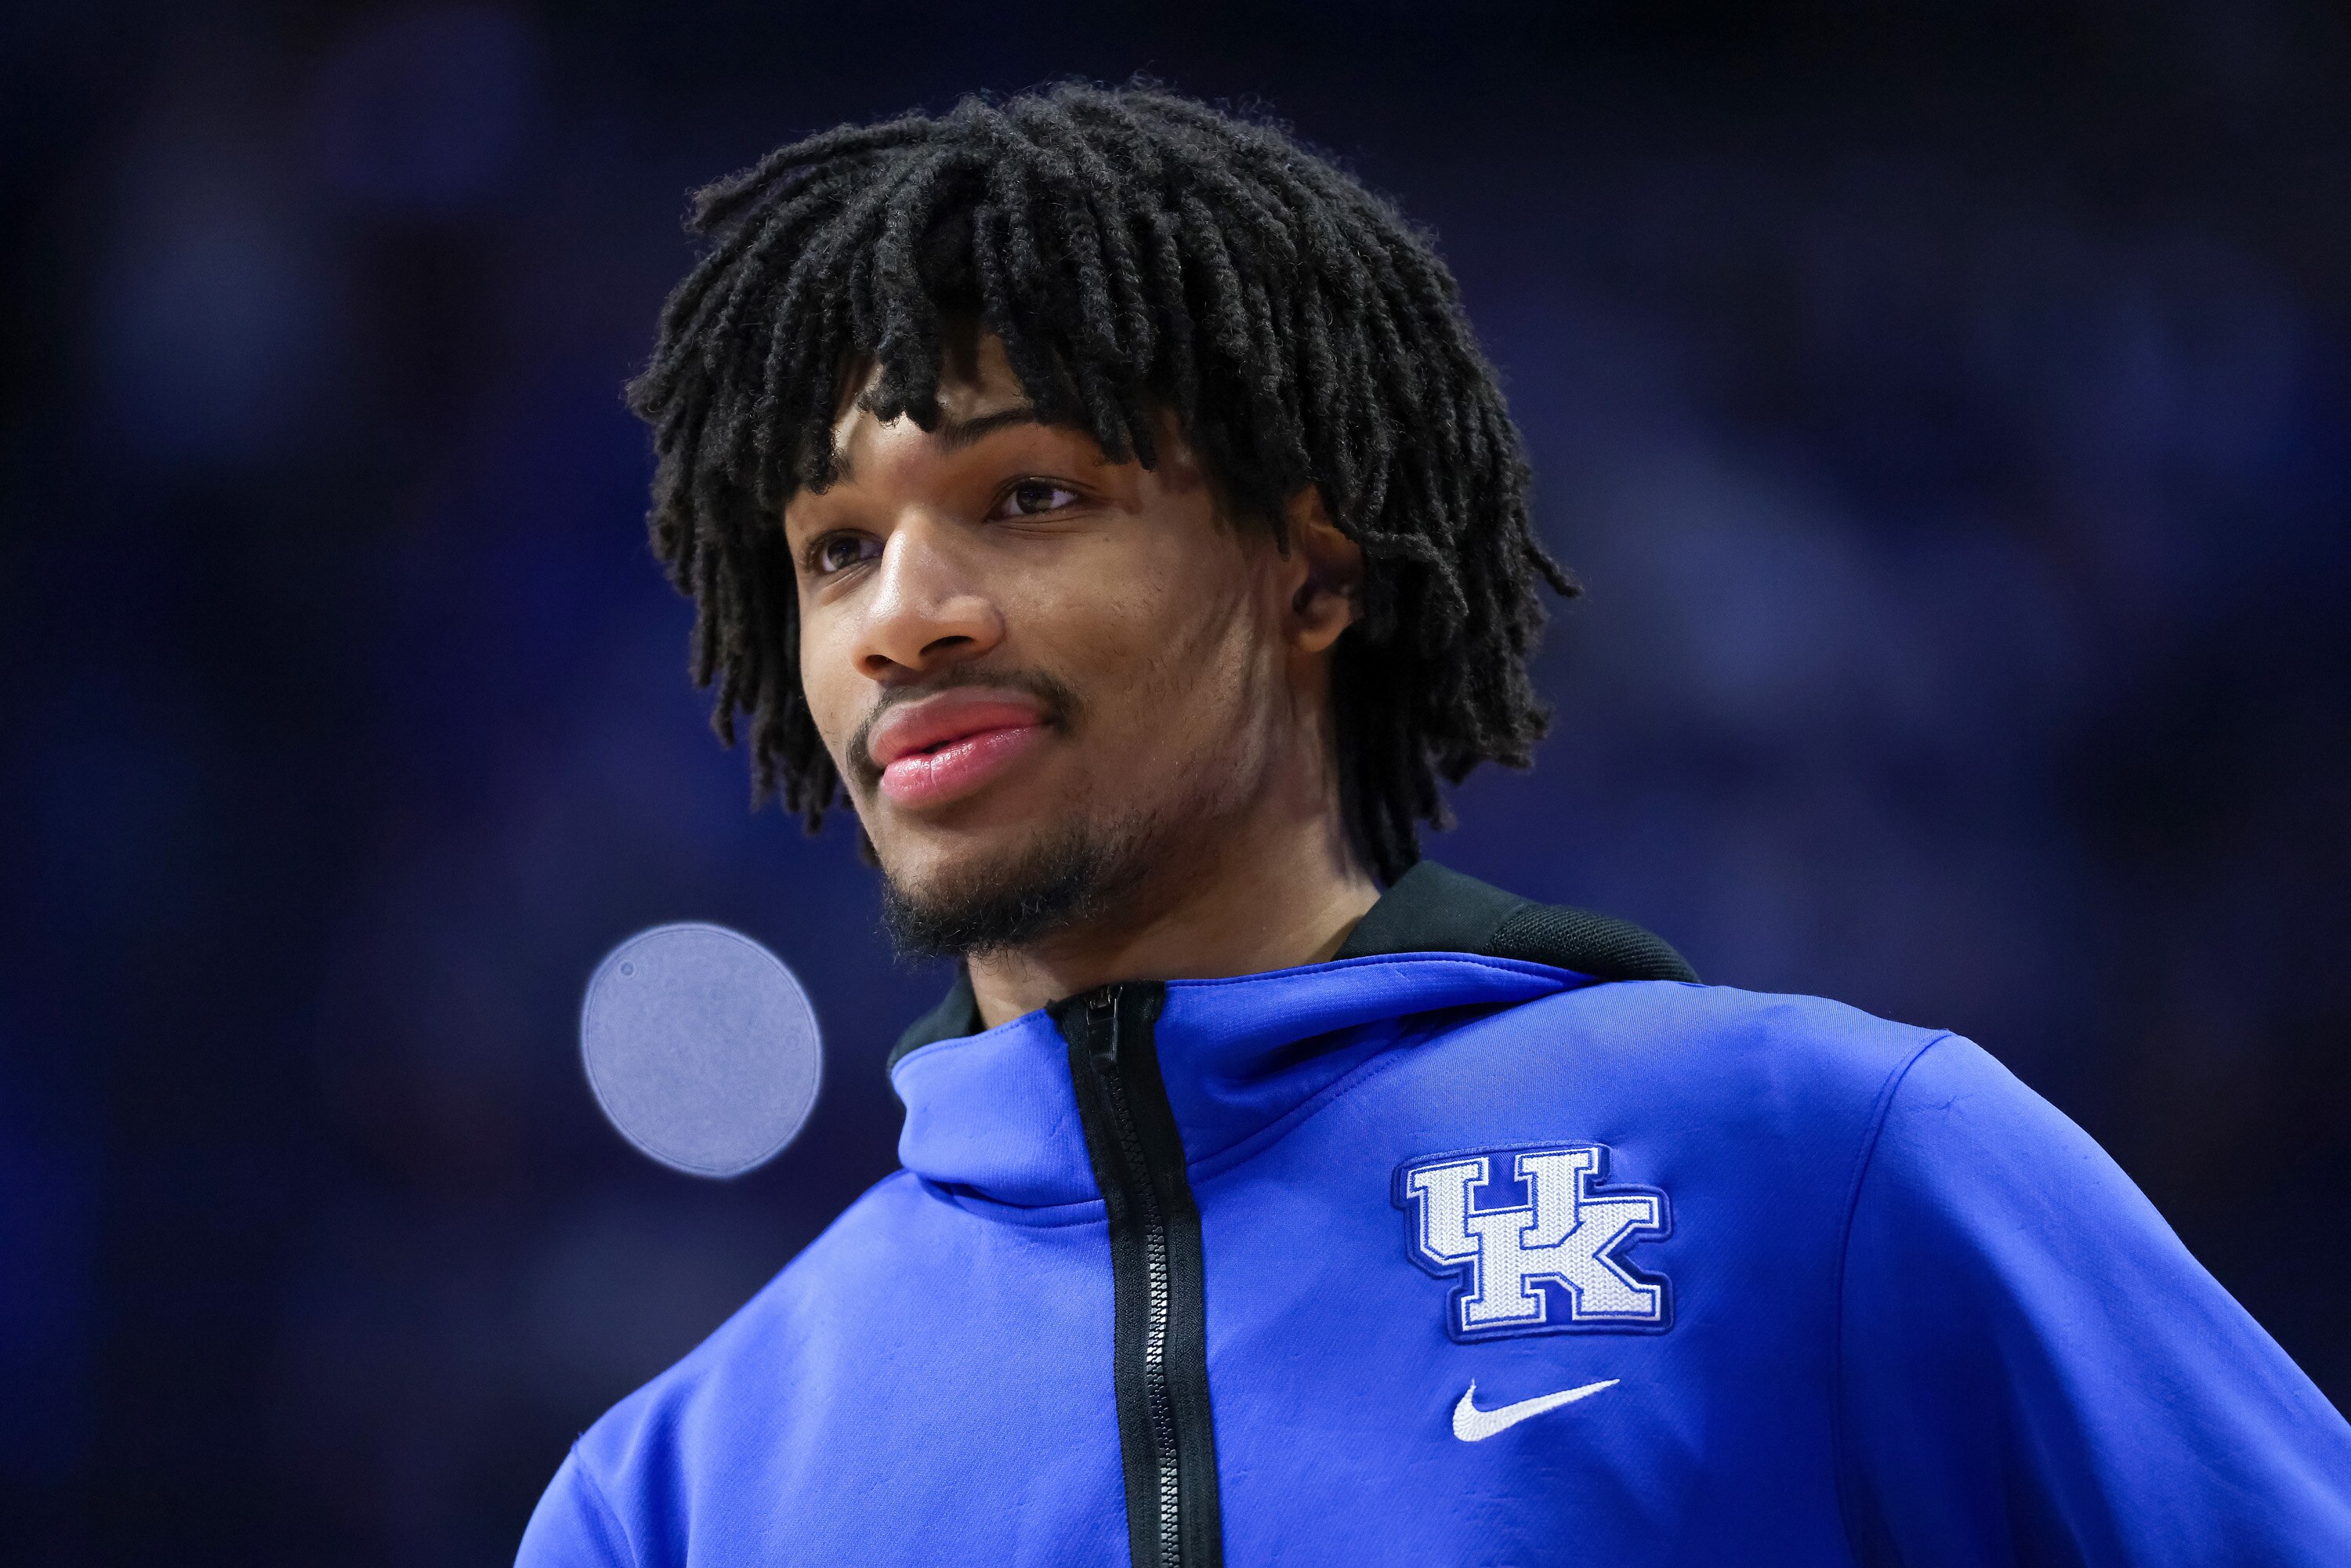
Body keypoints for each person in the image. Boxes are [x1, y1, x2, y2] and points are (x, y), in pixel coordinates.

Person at [518, 83, 2351, 1567]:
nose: (902, 612)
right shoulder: (673, 1495)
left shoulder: (1823, 1166)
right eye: (836, 546)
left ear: (1309, 571)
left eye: (1029, 493)